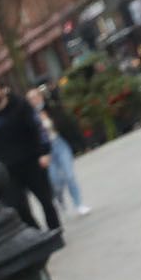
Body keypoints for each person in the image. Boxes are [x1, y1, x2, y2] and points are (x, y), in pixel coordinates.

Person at [0, 79, 60, 233]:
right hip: (9, 169)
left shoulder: (21, 106)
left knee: (45, 200)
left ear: (3, 91)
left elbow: (38, 129)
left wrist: (44, 152)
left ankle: (55, 230)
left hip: (32, 162)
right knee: (17, 205)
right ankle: (36, 233)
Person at [29, 86, 91, 216]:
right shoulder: (29, 117)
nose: (34, 100)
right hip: (46, 151)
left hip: (60, 144)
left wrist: (81, 143)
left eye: (35, 97)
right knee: (55, 180)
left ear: (40, 97)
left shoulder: (52, 109)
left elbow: (68, 124)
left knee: (69, 175)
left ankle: (79, 204)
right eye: (31, 99)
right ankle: (59, 198)